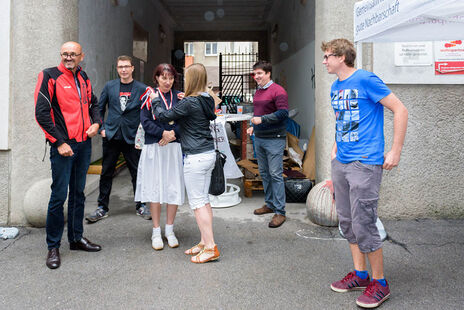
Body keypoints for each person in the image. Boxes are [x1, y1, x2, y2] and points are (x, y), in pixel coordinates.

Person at [321, 38, 408, 308]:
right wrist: (335, 151)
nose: (324, 62)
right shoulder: (336, 86)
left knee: (364, 222)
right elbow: (341, 120)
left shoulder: (366, 80)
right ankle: (360, 275)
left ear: (342, 57)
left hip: (365, 162)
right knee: (346, 222)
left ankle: (380, 283)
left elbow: (400, 109)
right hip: (342, 162)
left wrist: (395, 151)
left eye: (327, 56)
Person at [35, 41, 102, 269]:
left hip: (84, 145)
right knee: (58, 196)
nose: (68, 57)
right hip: (64, 147)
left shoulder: (84, 78)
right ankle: (53, 246)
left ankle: (76, 238)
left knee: (79, 194)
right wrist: (59, 142)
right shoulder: (49, 76)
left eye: (73, 54)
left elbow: (94, 104)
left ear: (81, 56)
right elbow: (41, 114)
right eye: (65, 54)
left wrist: (96, 123)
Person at [150, 63, 220, 264]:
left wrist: (155, 100)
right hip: (207, 154)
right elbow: (209, 115)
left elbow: (163, 116)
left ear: (192, 80)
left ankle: (210, 247)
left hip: (196, 157)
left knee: (198, 204)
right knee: (204, 200)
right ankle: (204, 241)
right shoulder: (206, 99)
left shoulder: (189, 102)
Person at [85, 55, 150, 223]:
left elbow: (148, 112)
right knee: (106, 172)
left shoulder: (142, 88)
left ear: (132, 68)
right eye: (121, 66)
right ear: (117, 68)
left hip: (132, 137)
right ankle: (102, 207)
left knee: (137, 172)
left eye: (127, 66)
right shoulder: (110, 86)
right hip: (112, 135)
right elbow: (98, 108)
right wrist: (102, 128)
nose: (123, 70)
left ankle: (141, 205)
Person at [135, 64, 185, 250]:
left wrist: (172, 134)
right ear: (156, 78)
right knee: (154, 188)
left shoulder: (180, 97)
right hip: (154, 147)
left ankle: (169, 230)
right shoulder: (149, 96)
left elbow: (185, 120)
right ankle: (156, 231)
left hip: (173, 148)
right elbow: (145, 122)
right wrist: (163, 133)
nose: (167, 82)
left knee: (173, 188)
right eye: (163, 78)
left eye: (171, 78)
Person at [247, 60, 289, 228]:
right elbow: (258, 112)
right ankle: (270, 204)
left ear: (268, 73)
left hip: (274, 138)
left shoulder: (278, 91)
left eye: (260, 73)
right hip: (259, 137)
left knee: (275, 174)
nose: (256, 76)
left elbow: (283, 113)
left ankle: (280, 212)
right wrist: (252, 126)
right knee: (264, 173)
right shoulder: (258, 91)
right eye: (255, 74)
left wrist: (262, 120)